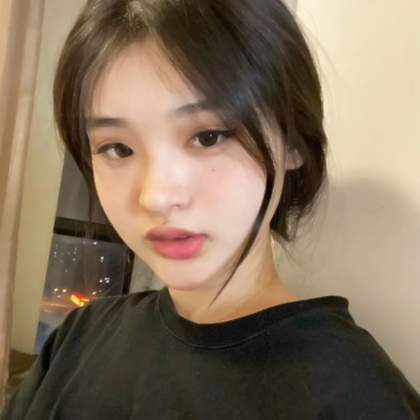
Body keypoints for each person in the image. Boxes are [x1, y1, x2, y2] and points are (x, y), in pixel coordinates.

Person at [2, 0, 420, 418]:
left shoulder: (355, 396)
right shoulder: (79, 338)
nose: (156, 197)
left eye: (208, 137)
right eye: (118, 148)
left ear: (293, 141)